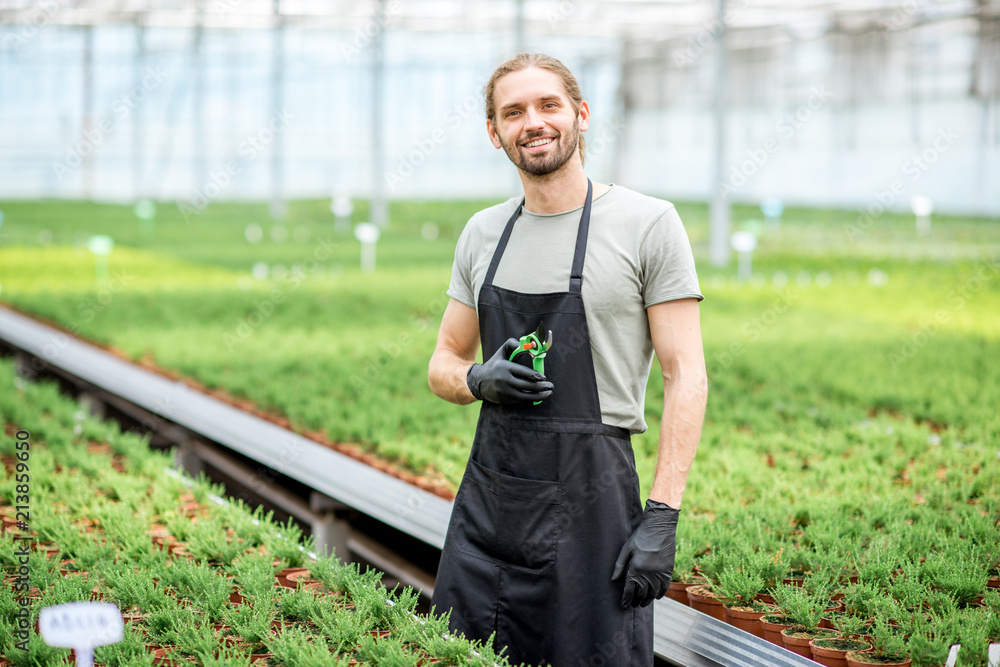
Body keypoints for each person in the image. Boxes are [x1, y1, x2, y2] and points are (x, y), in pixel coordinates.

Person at [427, 53, 707, 667]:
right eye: (513, 112)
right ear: (495, 133)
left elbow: (686, 374)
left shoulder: (647, 223)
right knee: (465, 653)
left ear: (580, 115)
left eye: (548, 104)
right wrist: (477, 379)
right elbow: (443, 361)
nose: (533, 122)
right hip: (492, 503)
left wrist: (662, 515)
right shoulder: (483, 233)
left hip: (594, 503)